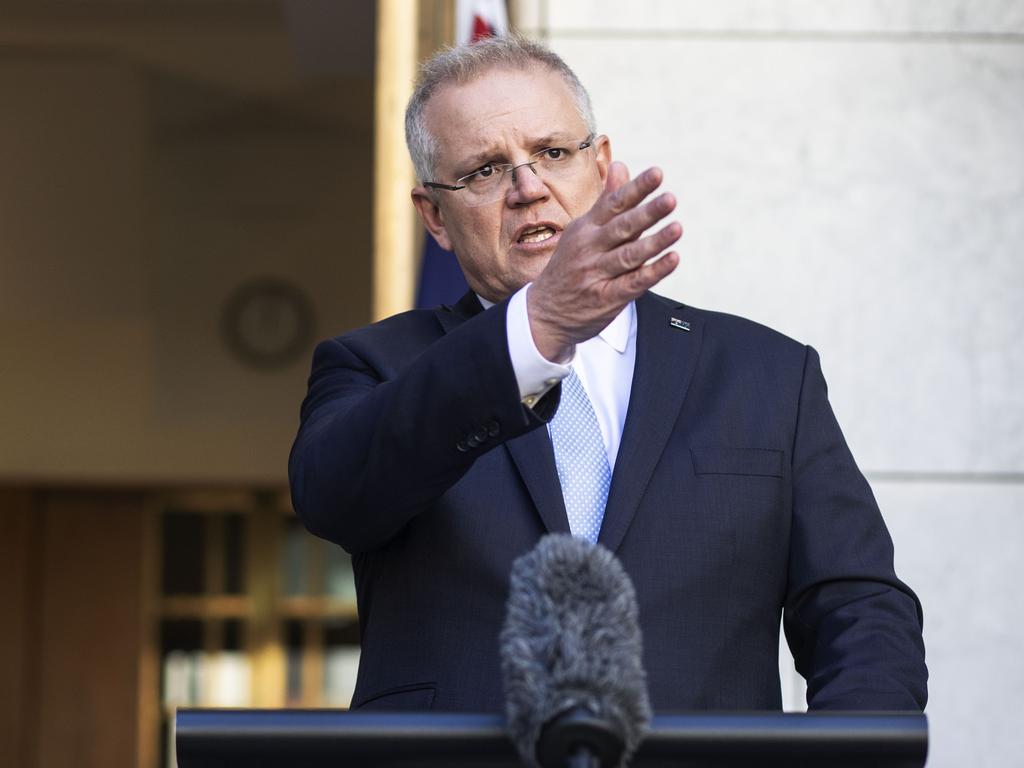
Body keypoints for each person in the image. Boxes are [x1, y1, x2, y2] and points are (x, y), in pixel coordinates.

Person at [289, 35, 927, 713]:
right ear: (435, 218)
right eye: (484, 171)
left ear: (600, 166)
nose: (528, 188)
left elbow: (858, 612)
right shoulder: (375, 367)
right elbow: (333, 495)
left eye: (553, 153)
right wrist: (536, 331)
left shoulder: (766, 375)